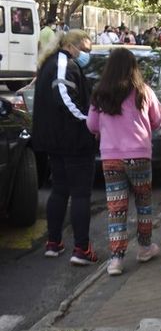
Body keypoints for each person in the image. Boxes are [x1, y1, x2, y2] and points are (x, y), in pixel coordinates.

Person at [86, 48, 161, 276]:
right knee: (143, 202)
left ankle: (116, 260)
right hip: (139, 155)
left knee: (116, 208)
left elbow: (91, 125)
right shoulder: (143, 91)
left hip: (111, 158)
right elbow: (157, 120)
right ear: (133, 68)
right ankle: (144, 247)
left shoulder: (100, 94)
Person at [32, 30, 98, 265]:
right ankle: (81, 248)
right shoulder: (62, 63)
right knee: (80, 193)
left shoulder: (52, 63)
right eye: (86, 49)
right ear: (74, 45)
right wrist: (88, 123)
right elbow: (64, 96)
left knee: (59, 190)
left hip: (56, 140)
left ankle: (54, 242)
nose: (87, 55)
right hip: (73, 140)